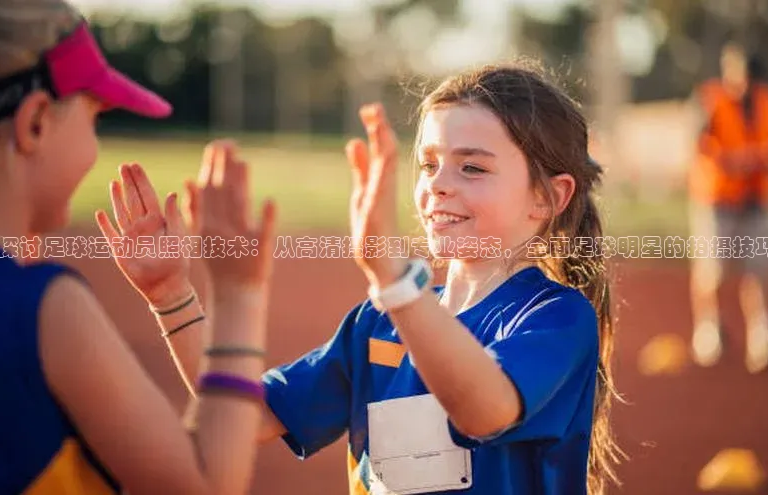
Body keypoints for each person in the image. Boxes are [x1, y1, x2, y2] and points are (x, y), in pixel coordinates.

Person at [137, 60, 624, 495]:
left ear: (548, 198)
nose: (437, 184)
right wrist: (172, 296)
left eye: (472, 167)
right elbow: (246, 416)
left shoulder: (556, 317)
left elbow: (484, 411)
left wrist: (395, 282)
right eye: (429, 164)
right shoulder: (378, 321)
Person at [0, 2, 278, 494]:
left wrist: (170, 295)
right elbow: (203, 485)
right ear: (35, 122)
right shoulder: (44, 308)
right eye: (93, 119)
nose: (95, 144)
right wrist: (238, 295)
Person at [687, 42, 768, 373]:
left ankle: (762, 333)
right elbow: (697, 144)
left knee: (761, 270)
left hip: (757, 199)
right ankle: (708, 327)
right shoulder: (710, 100)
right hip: (717, 199)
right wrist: (734, 161)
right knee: (712, 271)